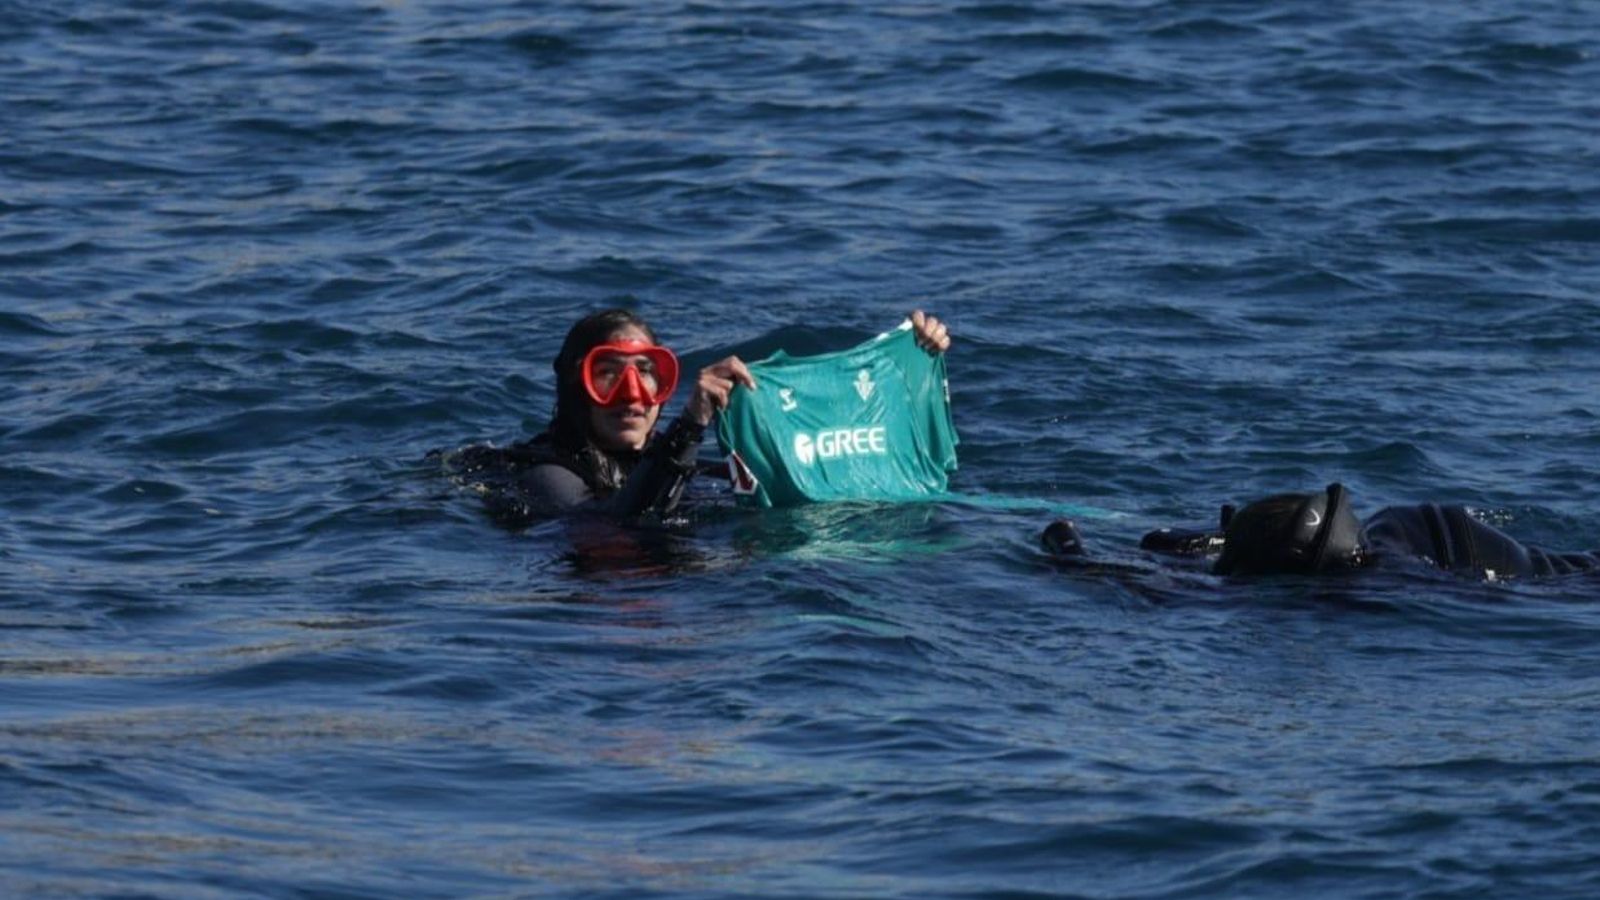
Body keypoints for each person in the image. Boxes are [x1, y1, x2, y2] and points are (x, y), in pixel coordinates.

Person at [454, 307, 951, 525]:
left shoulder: (693, 471)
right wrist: (691, 423)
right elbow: (610, 523)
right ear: (574, 386)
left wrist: (904, 360)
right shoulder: (544, 474)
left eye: (647, 372)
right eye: (607, 373)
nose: (632, 394)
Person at [1044, 483, 1600, 581]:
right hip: (1469, 546)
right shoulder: (1385, 541)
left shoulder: (1379, 580)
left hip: (1487, 567)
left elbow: (1099, 571)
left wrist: (1063, 540)